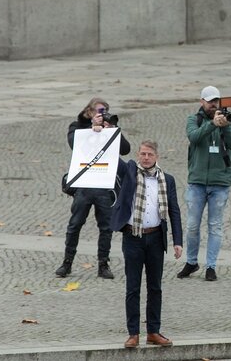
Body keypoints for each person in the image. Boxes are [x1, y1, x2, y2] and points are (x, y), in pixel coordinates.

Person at [111, 140, 182, 348]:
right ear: (138, 155)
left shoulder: (167, 180)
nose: (146, 158)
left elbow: (174, 211)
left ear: (156, 156)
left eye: (150, 154)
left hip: (156, 238)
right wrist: (102, 130)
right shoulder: (129, 174)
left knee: (155, 287)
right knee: (132, 287)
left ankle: (153, 331)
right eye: (142, 154)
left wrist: (177, 241)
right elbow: (113, 158)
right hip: (133, 237)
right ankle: (133, 333)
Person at [56, 97, 131, 279]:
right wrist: (91, 130)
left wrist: (112, 132)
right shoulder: (77, 127)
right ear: (89, 112)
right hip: (84, 185)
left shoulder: (109, 130)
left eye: (105, 110)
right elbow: (74, 142)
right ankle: (67, 263)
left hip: (104, 185)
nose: (102, 114)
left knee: (105, 227)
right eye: (99, 111)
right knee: (75, 225)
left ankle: (103, 264)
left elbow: (126, 149)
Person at [177, 86, 231, 281]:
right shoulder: (193, 120)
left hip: (220, 182)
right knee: (192, 226)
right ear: (202, 102)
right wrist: (212, 124)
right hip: (197, 181)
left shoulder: (229, 120)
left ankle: (211, 266)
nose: (214, 104)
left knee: (215, 226)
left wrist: (226, 126)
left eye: (216, 101)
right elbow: (194, 137)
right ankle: (191, 261)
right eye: (210, 101)